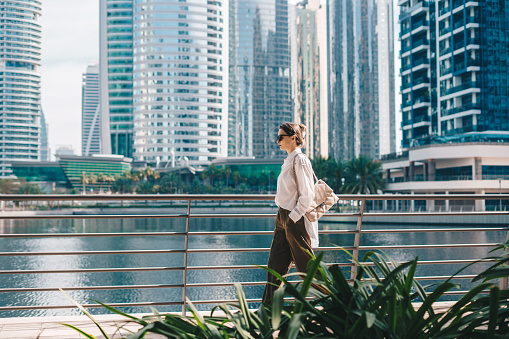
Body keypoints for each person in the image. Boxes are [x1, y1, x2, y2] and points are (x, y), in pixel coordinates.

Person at [262, 122, 319, 304]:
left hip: (294, 219)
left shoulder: (300, 160)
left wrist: (293, 218)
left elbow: (308, 194)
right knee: (275, 268)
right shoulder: (288, 160)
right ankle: (267, 315)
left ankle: (340, 302)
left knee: (308, 269)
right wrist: (284, 218)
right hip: (282, 217)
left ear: (293, 138)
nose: (277, 140)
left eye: (281, 137)